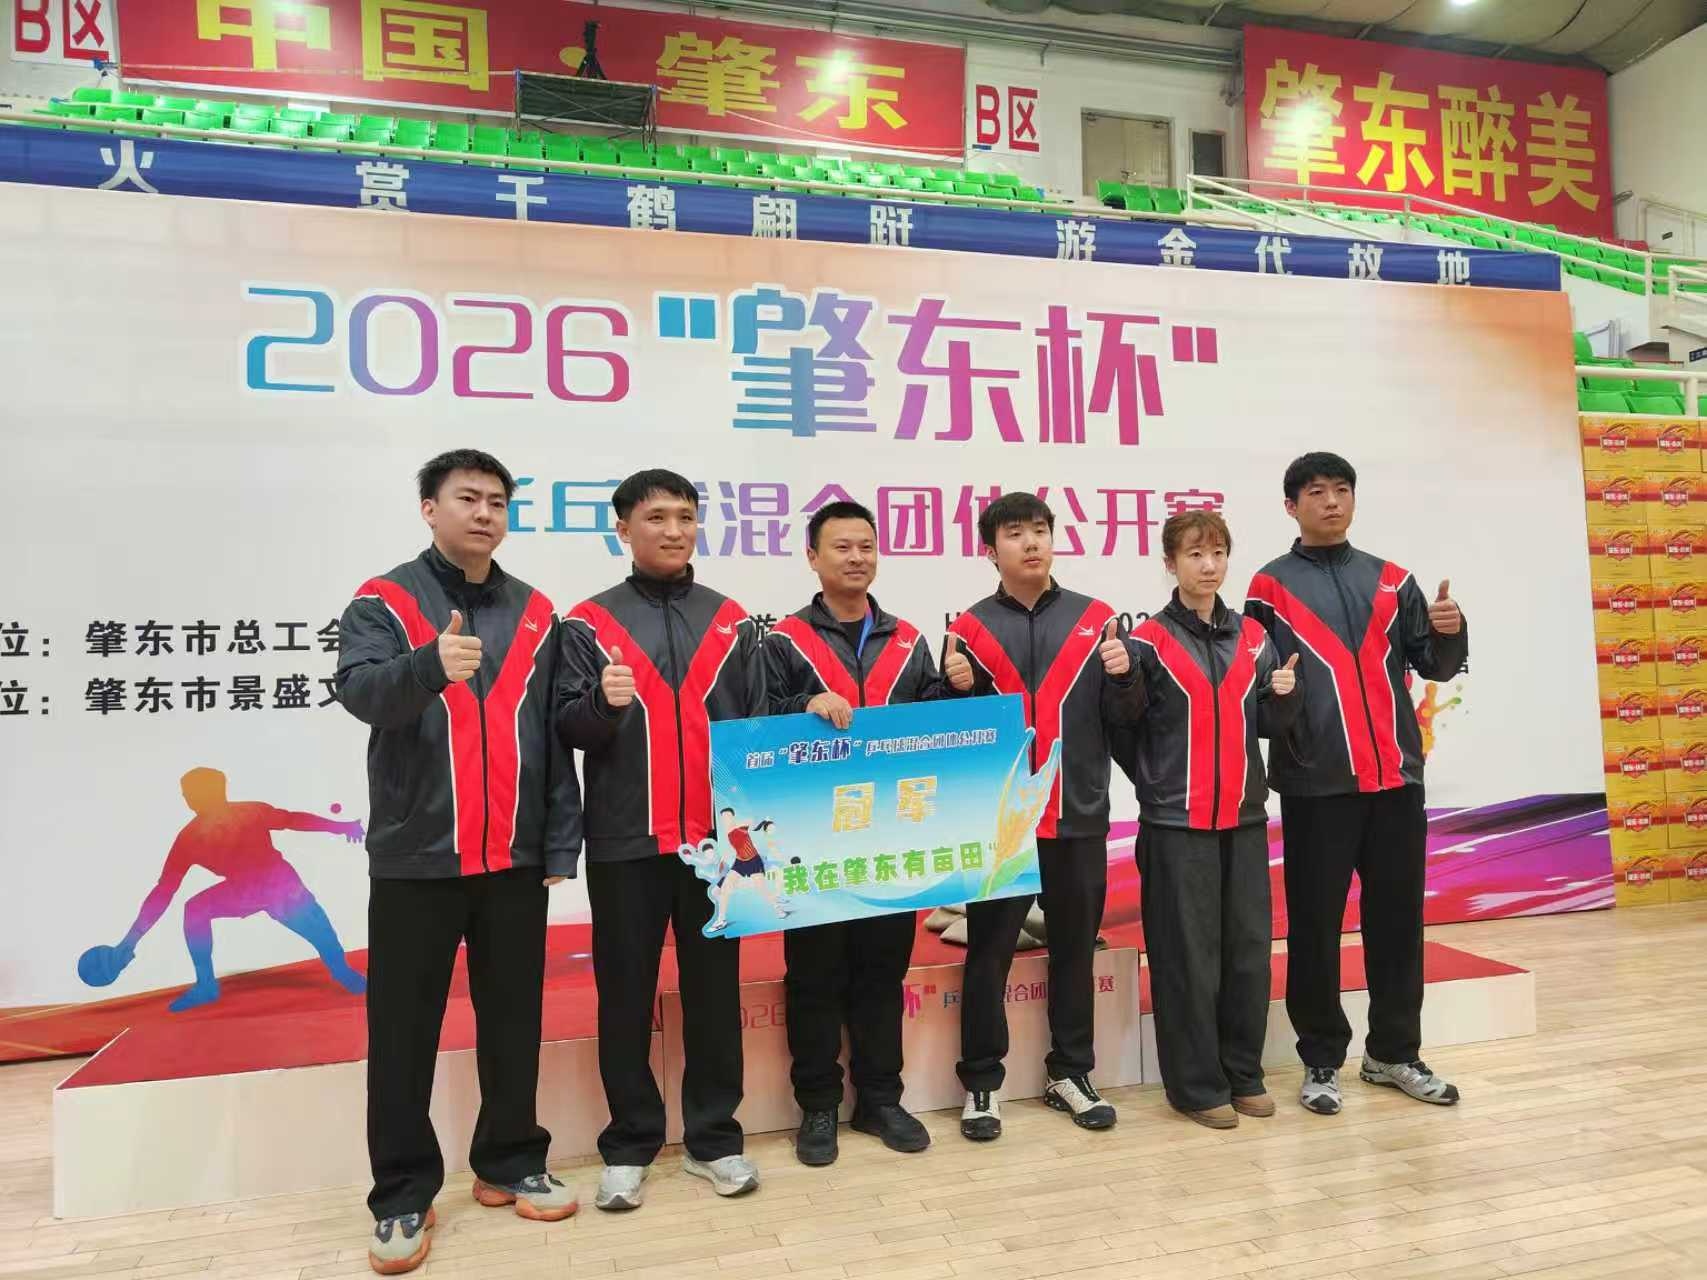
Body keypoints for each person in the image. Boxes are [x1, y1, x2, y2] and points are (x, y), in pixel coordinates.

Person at [336, 449, 582, 1275]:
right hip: (416, 858)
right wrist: (425, 667)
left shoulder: (537, 612)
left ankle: (510, 1159)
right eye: (467, 499)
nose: (484, 514)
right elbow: (359, 692)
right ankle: (402, 1193)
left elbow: (553, 737)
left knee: (513, 1020)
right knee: (402, 1034)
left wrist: (557, 841)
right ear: (429, 509)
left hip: (512, 858)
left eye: (497, 502)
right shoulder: (384, 600)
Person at [557, 469, 766, 1211]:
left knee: (713, 996)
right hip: (625, 842)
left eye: (685, 516)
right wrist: (600, 704)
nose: (674, 530)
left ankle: (715, 1139)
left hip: (716, 848)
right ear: (622, 528)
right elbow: (567, 728)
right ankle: (628, 1144)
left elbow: (759, 727)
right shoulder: (587, 625)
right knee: (624, 996)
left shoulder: (733, 622)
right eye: (655, 517)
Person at [1244, 452, 1468, 1116]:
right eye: (1317, 492)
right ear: (1291, 506)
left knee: (1397, 923)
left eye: (1342, 490)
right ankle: (1320, 1058)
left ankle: (1393, 1052)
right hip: (1316, 784)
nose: (1332, 502)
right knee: (1314, 928)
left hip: (1396, 780)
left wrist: (1450, 633)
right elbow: (1258, 688)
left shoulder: (1393, 580)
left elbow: (1434, 665)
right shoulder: (1268, 588)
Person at [943, 491, 1142, 1141]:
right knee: (987, 955)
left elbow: (1127, 720)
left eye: (1039, 530)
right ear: (989, 550)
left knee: (1074, 953)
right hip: (1001, 826)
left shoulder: (1098, 620)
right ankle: (980, 1082)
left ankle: (1070, 1073)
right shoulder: (967, 630)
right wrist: (952, 689)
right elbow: (952, 737)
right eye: (1014, 533)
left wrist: (1124, 678)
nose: (1030, 543)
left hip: (1076, 815)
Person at [764, 499, 944, 1166]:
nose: (856, 557)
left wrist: (956, 692)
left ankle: (879, 1099)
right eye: (841, 546)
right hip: (810, 841)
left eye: (866, 545)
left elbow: (936, 732)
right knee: (812, 975)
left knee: (881, 972)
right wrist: (801, 705)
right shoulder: (782, 640)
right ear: (813, 557)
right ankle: (816, 1106)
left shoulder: (909, 640)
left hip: (891, 839)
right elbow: (754, 723)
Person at [1120, 511, 1299, 1129]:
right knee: (1187, 960)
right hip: (1177, 826)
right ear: (1169, 563)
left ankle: (1243, 1073)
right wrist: (1157, 785)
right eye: (1194, 554)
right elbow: (1124, 727)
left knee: (1248, 954)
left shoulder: (1253, 637)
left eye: (1218, 552)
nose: (1209, 565)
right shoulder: (1146, 642)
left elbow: (1268, 724)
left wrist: (1284, 695)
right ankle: (1196, 1087)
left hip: (1245, 818)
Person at [94, 767, 367, 1012]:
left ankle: (341, 971)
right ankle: (206, 985)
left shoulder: (208, 830)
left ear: (201, 796)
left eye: (188, 793)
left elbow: (293, 820)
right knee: (196, 909)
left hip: (277, 886)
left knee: (319, 931)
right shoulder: (197, 834)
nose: (186, 798)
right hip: (254, 888)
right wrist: (130, 940)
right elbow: (164, 890)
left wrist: (341, 827)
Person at [707, 806, 788, 932]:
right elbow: (734, 847)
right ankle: (721, 920)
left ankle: (778, 908)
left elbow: (754, 825)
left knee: (761, 888)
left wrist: (764, 822)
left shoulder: (741, 824)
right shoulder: (726, 831)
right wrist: (722, 860)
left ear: (733, 816)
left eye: (728, 816)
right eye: (724, 818)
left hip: (753, 860)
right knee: (724, 889)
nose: (726, 819)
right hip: (739, 861)